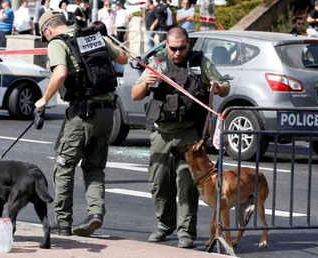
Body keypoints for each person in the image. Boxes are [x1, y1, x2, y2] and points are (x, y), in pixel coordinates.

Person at [131, 27, 230, 248]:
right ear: (166, 45)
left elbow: (224, 86)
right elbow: (135, 94)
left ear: (188, 45)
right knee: (159, 182)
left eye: (182, 48)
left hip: (189, 133)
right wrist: (146, 81)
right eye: (173, 48)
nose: (177, 53)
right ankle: (165, 224)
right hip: (161, 133)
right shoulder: (156, 63)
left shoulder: (200, 62)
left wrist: (218, 86)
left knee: (186, 184)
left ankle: (186, 232)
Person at [35, 10, 128, 237]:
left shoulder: (57, 42)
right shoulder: (91, 36)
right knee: (94, 167)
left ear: (47, 29)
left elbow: (60, 73)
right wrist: (104, 40)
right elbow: (123, 58)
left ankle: (63, 223)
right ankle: (95, 213)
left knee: (64, 165)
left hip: (82, 114)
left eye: (44, 35)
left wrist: (43, 100)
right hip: (107, 113)